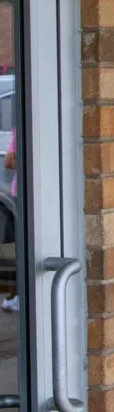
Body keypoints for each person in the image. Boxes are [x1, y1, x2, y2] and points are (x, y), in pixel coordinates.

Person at [2, 127, 16, 313]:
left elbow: (8, 160)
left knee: (13, 248)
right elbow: (8, 161)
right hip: (22, 194)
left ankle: (13, 297)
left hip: (21, 194)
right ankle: (14, 297)